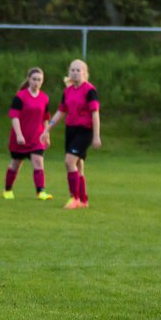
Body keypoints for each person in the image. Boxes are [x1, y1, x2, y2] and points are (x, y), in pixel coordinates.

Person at [42, 59, 100, 209]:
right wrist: (46, 130)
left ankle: (73, 198)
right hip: (71, 130)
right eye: (72, 70)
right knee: (78, 165)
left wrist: (96, 135)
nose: (74, 72)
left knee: (69, 162)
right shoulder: (67, 91)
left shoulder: (89, 90)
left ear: (84, 73)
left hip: (84, 131)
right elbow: (61, 112)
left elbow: (95, 114)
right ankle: (83, 200)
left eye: (78, 70)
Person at [3, 67, 54, 200]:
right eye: (34, 79)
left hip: (36, 137)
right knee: (15, 164)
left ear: (42, 81)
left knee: (38, 161)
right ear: (29, 79)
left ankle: (41, 192)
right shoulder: (20, 97)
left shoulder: (44, 98)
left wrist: (46, 134)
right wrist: (19, 134)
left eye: (39, 80)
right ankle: (7, 190)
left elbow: (46, 118)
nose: (36, 82)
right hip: (20, 138)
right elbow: (14, 117)